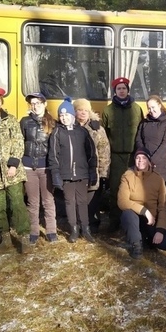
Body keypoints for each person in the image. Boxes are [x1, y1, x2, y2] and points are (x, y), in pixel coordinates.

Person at [0, 87, 31, 254]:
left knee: (17, 204)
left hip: (12, 171)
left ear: (1, 102)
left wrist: (14, 164)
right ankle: (5, 237)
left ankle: (23, 236)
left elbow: (18, 142)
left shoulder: (10, 120)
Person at [49, 98, 98, 243]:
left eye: (67, 115)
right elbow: (53, 155)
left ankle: (86, 228)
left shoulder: (82, 132)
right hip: (66, 174)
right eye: (62, 116)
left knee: (82, 201)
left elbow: (91, 153)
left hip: (82, 173)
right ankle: (74, 229)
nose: (64, 118)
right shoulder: (57, 133)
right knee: (69, 201)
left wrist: (92, 171)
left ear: (72, 116)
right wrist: (56, 174)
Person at [101, 77, 144, 232]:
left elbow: (141, 131)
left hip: (134, 156)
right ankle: (115, 221)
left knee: (135, 189)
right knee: (116, 188)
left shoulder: (137, 109)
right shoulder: (107, 111)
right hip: (116, 156)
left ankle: (133, 222)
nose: (121, 91)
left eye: (124, 88)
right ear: (115, 91)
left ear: (128, 90)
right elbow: (103, 134)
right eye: (118, 88)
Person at [117, 148, 166, 259]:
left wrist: (160, 229)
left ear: (149, 161)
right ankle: (136, 244)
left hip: (152, 220)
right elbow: (122, 201)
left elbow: (164, 206)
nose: (140, 160)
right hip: (135, 217)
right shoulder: (127, 176)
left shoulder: (158, 179)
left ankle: (147, 239)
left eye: (144, 158)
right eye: (138, 158)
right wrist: (144, 211)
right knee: (127, 213)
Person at [20, 92, 58, 244]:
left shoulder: (52, 123)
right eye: (33, 103)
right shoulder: (24, 122)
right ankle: (34, 231)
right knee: (33, 201)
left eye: (38, 103)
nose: (35, 106)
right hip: (29, 167)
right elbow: (20, 142)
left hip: (46, 167)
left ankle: (51, 231)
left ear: (45, 104)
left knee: (48, 200)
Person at [73, 98, 111, 233]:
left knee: (92, 201)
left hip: (92, 173)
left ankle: (92, 224)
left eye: (85, 110)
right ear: (74, 112)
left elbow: (104, 153)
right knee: (76, 200)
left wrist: (104, 174)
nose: (83, 113)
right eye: (79, 110)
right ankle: (77, 225)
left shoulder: (97, 129)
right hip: (75, 172)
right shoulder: (68, 126)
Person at [135, 95, 166, 184]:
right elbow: (139, 140)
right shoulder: (144, 123)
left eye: (153, 107)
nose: (151, 110)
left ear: (159, 105)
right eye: (149, 108)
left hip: (161, 166)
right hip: (144, 164)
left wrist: (152, 161)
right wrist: (144, 157)